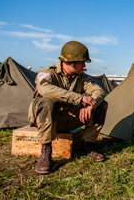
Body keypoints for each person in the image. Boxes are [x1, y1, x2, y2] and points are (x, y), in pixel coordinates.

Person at [28, 41, 108, 174]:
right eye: (82, 62)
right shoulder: (48, 73)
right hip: (45, 118)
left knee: (101, 105)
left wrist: (89, 107)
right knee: (48, 102)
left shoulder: (82, 77)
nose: (84, 66)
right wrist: (80, 98)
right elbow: (45, 89)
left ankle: (86, 145)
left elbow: (99, 91)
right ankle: (46, 151)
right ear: (70, 62)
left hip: (66, 118)